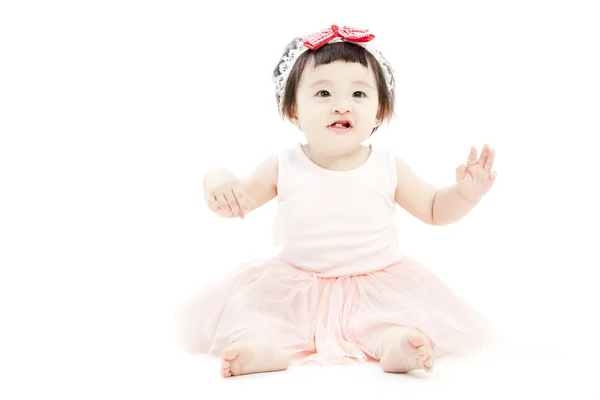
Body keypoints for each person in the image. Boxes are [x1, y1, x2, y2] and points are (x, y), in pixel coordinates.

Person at [176, 24, 498, 378]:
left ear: (379, 111)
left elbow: (435, 209)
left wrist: (467, 194)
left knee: (384, 319)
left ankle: (396, 343)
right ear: (294, 110)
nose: (342, 105)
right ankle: (264, 346)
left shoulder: (388, 166)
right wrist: (217, 179)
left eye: (358, 95)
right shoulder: (282, 165)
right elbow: (239, 199)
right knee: (255, 311)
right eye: (324, 93)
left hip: (376, 283)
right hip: (296, 283)